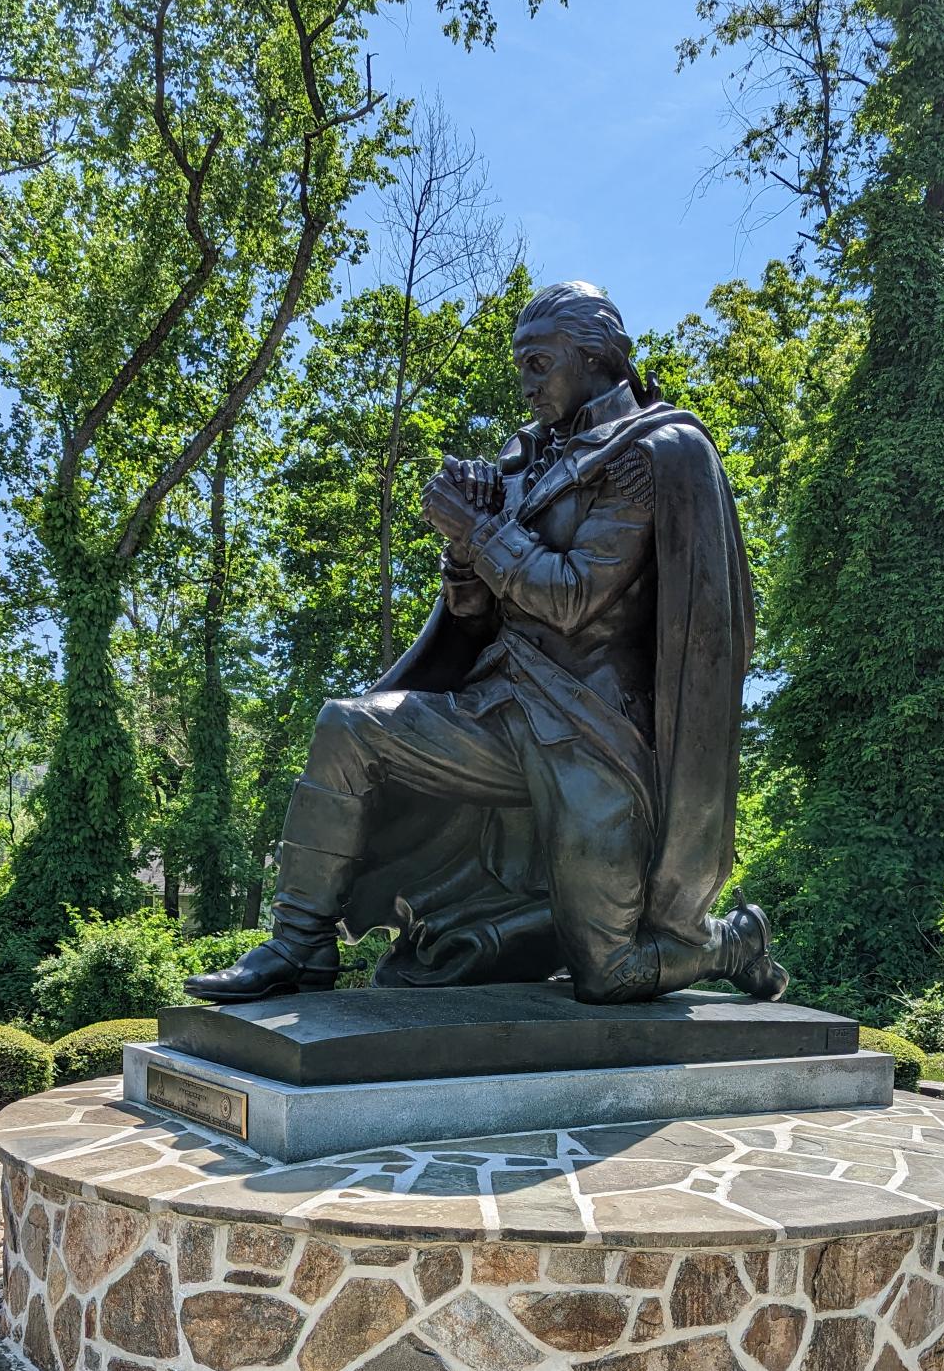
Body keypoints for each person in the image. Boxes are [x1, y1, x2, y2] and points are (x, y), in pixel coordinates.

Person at [185, 280, 785, 1006]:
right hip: (500, 708)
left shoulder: (649, 453)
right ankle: (299, 942)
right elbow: (474, 618)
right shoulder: (526, 457)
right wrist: (463, 550)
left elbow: (571, 598)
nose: (526, 383)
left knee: (611, 974)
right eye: (520, 365)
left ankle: (731, 942)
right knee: (347, 728)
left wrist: (479, 530)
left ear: (595, 358)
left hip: (591, 734)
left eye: (540, 363)